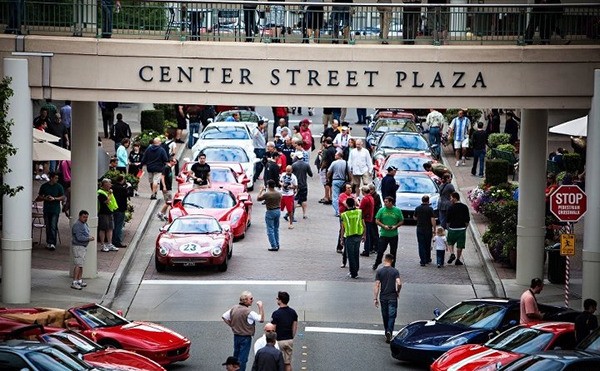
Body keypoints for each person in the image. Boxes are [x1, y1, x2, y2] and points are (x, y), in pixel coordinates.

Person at [222, 291, 265, 371]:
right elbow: (261, 319)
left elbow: (224, 316)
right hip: (246, 337)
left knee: (236, 357)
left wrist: (232, 325)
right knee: (243, 359)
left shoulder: (234, 308)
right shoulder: (249, 312)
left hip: (236, 336)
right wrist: (261, 307)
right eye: (251, 298)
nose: (252, 300)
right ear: (245, 300)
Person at [374, 253, 402, 343]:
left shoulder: (379, 271)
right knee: (392, 316)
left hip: (383, 297)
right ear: (392, 260)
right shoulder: (395, 271)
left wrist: (375, 298)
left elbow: (377, 285)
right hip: (392, 296)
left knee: (385, 315)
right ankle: (389, 330)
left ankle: (387, 331)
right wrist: (398, 291)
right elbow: (399, 283)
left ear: (384, 260)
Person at [36, 172, 65, 251]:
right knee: (48, 226)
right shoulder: (44, 186)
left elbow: (63, 197)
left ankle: (52, 242)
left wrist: (55, 198)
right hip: (47, 209)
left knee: (53, 225)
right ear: (51, 178)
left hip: (55, 209)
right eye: (55, 178)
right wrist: (45, 198)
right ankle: (49, 242)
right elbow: (39, 196)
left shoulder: (59, 186)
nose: (57, 179)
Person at [372, 196, 404, 270]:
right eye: (384, 201)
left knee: (393, 251)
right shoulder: (381, 210)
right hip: (384, 234)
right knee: (380, 250)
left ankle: (392, 266)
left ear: (391, 202)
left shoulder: (397, 210)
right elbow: (377, 220)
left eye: (386, 202)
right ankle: (377, 262)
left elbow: (401, 220)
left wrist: (395, 226)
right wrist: (383, 226)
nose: (385, 203)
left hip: (393, 235)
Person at [271, 291, 298, 371]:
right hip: (289, 339)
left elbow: (273, 328)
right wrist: (291, 336)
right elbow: (294, 327)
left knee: (278, 363)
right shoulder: (293, 312)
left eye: (277, 299)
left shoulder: (276, 313)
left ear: (280, 300)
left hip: (279, 340)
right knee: (287, 363)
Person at [340, 197, 365, 279]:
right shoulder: (359, 212)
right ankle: (356, 270)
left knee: (350, 255)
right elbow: (364, 225)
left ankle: (353, 273)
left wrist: (341, 239)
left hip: (349, 236)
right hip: (358, 235)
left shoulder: (344, 215)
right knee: (356, 253)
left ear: (347, 205)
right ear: (354, 204)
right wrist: (364, 235)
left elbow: (342, 228)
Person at [71, 210, 94, 290]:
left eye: (86, 217)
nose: (85, 219)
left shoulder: (84, 224)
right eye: (84, 217)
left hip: (82, 247)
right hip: (78, 247)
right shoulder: (78, 225)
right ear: (80, 216)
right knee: (78, 264)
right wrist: (89, 238)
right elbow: (79, 237)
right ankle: (74, 282)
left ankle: (79, 280)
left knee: (81, 264)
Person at [257, 180, 282, 251]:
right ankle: (277, 243)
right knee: (276, 229)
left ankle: (274, 246)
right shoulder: (279, 193)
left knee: (270, 229)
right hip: (278, 211)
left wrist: (261, 190)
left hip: (270, 211)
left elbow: (258, 198)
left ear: (268, 185)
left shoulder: (267, 194)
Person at [446, 192, 470, 265]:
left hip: (452, 228)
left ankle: (452, 253)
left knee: (449, 242)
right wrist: (465, 227)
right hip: (461, 229)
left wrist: (448, 228)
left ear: (455, 198)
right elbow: (467, 219)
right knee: (460, 245)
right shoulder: (464, 207)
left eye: (451, 198)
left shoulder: (450, 208)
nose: (450, 200)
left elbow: (448, 220)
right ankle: (458, 259)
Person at [97, 178, 119, 252]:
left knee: (110, 228)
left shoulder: (107, 192)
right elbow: (106, 201)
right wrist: (110, 194)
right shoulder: (101, 193)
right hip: (103, 213)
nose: (109, 187)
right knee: (103, 229)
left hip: (110, 212)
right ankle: (103, 245)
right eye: (107, 185)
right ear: (103, 185)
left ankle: (109, 244)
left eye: (109, 185)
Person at [414, 195, 436, 266]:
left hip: (420, 228)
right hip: (428, 228)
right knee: (427, 244)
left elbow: (415, 217)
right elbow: (432, 219)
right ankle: (427, 258)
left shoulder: (417, 208)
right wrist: (434, 228)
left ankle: (422, 260)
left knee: (421, 244)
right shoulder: (430, 209)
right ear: (428, 201)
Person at [291, 152, 313, 219]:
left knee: (295, 199)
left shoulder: (294, 165)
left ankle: (292, 214)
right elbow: (311, 174)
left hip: (296, 185)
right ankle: (304, 214)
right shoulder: (306, 165)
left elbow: (291, 174)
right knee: (304, 200)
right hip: (304, 184)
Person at [328, 151, 349, 217]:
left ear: (339, 156)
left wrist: (328, 178)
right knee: (343, 196)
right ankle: (344, 210)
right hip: (343, 181)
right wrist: (350, 180)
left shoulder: (334, 163)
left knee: (335, 197)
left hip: (335, 180)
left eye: (336, 155)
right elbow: (349, 172)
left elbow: (329, 171)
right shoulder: (346, 163)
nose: (335, 156)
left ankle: (338, 211)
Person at [157, 156, 177, 221]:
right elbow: (162, 177)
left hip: (169, 187)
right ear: (170, 161)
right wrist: (164, 186)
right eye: (174, 162)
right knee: (168, 202)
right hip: (166, 187)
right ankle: (160, 213)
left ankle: (164, 214)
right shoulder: (166, 168)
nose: (175, 163)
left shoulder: (169, 168)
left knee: (168, 201)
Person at [111, 175, 129, 248]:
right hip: (121, 209)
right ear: (122, 180)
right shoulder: (123, 189)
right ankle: (117, 241)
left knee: (114, 225)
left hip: (113, 208)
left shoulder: (112, 187)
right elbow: (128, 195)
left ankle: (112, 240)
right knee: (119, 225)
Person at [359, 185, 377, 257]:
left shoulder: (365, 198)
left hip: (365, 218)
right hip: (370, 217)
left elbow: (361, 208)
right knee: (368, 234)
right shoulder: (371, 198)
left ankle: (366, 250)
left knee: (366, 234)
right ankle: (368, 249)